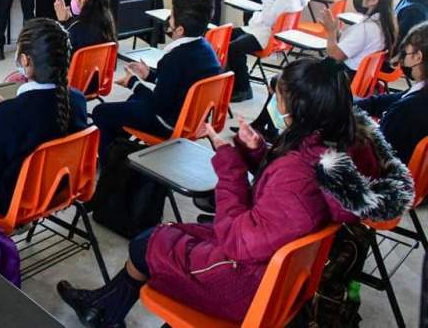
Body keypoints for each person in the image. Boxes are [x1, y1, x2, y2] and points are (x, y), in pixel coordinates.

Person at [58, 57, 413, 328]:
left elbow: (238, 240)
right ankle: (102, 309)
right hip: (275, 274)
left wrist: (229, 163)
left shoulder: (297, 173)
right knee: (157, 237)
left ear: (300, 109)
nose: (275, 104)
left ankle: (103, 310)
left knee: (145, 244)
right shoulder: (337, 146)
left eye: (279, 98)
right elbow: (290, 191)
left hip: (248, 285)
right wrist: (257, 151)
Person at [0, 18, 87, 219]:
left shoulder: (9, 112)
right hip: (60, 187)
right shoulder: (78, 99)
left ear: (25, 60)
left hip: (13, 199)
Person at [91, 0, 220, 159]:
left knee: (101, 112)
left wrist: (133, 83)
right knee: (133, 102)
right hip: (192, 119)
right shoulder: (207, 49)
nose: (169, 20)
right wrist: (149, 75)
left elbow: (158, 105)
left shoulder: (174, 58)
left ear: (180, 30)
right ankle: (120, 151)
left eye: (171, 16)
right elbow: (179, 83)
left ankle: (110, 163)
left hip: (167, 123)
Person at [227, 0, 311, 102]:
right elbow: (274, 12)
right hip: (271, 33)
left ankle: (243, 88)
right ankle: (230, 79)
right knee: (229, 34)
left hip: (268, 36)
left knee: (234, 48)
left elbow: (268, 20)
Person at [357, 22, 428, 164]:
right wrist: (346, 104)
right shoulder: (420, 92)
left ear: (417, 57)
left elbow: (375, 155)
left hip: (381, 169)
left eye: (406, 52)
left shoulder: (407, 109)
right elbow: (383, 101)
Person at [320, 0, 397, 77]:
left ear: (373, 0)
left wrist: (330, 32)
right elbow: (353, 43)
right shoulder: (381, 23)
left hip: (343, 78)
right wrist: (335, 30)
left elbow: (334, 56)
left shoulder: (366, 29)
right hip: (356, 76)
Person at [53, 0, 118, 53]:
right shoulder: (108, 24)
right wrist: (69, 21)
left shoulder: (76, 28)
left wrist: (62, 22)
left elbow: (59, 49)